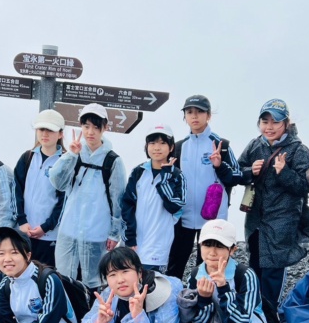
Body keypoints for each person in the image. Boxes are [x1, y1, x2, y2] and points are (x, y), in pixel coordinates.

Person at [237, 99, 309, 305]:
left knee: (273, 276)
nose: (269, 127)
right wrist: (249, 172)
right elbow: (237, 171)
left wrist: (284, 173)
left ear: (287, 123)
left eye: (275, 122)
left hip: (282, 223)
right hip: (255, 222)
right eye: (265, 122)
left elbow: (304, 186)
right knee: (253, 271)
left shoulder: (298, 150)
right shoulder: (255, 145)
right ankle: (253, 318)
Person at [49, 103, 126, 293]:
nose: (90, 132)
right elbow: (57, 182)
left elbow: (118, 199)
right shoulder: (75, 153)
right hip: (69, 228)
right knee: (64, 277)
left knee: (95, 281)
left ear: (105, 128)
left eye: (96, 127)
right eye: (86, 126)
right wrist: (70, 156)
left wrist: (114, 233)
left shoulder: (112, 161)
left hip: (97, 230)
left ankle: (93, 318)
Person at [167, 95, 243, 280]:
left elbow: (237, 175)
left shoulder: (221, 145)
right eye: (189, 112)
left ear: (208, 115)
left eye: (200, 111)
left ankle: (207, 304)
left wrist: (219, 165)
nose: (194, 116)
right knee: (174, 266)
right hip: (182, 217)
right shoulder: (178, 147)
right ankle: (175, 303)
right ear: (184, 116)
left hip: (213, 219)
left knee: (208, 269)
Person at [121, 123, 186, 273]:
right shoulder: (138, 172)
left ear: (171, 147)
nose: (157, 147)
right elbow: (127, 205)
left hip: (160, 242)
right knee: (131, 281)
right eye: (152, 143)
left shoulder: (177, 176)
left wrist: (165, 178)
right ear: (147, 146)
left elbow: (175, 206)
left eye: (163, 143)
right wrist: (129, 236)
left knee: (153, 285)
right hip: (136, 242)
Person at [13, 109, 67, 267]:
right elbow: (16, 191)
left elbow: (63, 201)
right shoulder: (27, 157)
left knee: (43, 279)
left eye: (50, 130)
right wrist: (21, 220)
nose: (45, 134)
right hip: (24, 232)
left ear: (60, 134)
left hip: (50, 237)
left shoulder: (65, 161)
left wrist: (45, 227)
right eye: (41, 129)